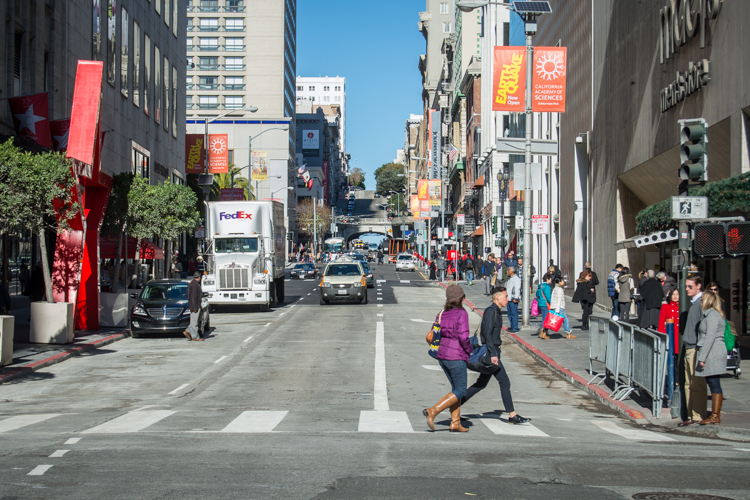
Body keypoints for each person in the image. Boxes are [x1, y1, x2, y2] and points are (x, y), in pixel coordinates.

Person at [460, 286, 531, 424]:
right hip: (490, 353)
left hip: (493, 351)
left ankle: (454, 407)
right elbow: (487, 334)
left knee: (480, 384)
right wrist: (493, 354)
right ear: (497, 297)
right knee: (504, 381)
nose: (507, 299)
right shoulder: (491, 311)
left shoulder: (496, 311)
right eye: (505, 296)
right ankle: (512, 415)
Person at [423, 285, 472, 432]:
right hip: (456, 356)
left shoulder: (442, 312)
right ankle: (433, 410)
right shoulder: (462, 314)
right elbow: (463, 337)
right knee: (461, 391)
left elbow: (434, 330)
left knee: (455, 389)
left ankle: (455, 422)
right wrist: (470, 351)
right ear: (461, 299)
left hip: (442, 355)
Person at [678, 274, 707, 427]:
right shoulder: (694, 303)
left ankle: (697, 414)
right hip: (689, 347)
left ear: (698, 286)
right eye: (686, 286)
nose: (687, 289)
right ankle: (691, 415)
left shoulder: (700, 304)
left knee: (696, 384)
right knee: (688, 384)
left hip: (695, 348)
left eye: (690, 286)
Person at [695, 290, 728, 425]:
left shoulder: (713, 315)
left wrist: (702, 357)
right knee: (713, 382)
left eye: (702, 300)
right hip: (712, 351)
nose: (701, 302)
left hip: (713, 352)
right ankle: (715, 414)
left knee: (714, 383)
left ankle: (715, 415)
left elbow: (710, 337)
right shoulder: (709, 315)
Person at [183, 272, 205, 342]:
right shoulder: (195, 285)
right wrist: (195, 307)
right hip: (195, 306)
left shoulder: (191, 283)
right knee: (195, 322)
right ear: (199, 277)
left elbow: (188, 295)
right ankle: (195, 336)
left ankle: (187, 331)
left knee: (193, 321)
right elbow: (193, 297)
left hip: (192, 305)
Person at [658, 289, 681, 355]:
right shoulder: (665, 307)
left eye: (677, 294)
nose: (675, 296)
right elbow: (661, 322)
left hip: (679, 336)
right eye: (673, 294)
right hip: (669, 334)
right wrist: (660, 336)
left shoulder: (681, 307)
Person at [536, 273, 553, 339]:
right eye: (550, 279)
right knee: (545, 319)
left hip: (540, 303)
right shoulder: (547, 287)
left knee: (544, 317)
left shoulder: (540, 286)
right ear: (547, 279)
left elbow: (537, 294)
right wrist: (552, 303)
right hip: (545, 304)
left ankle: (543, 331)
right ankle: (542, 332)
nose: (551, 280)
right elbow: (548, 297)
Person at [505, 267, 521, 333]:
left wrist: (515, 298)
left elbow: (517, 289)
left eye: (508, 270)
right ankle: (512, 326)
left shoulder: (516, 279)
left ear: (511, 271)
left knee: (514, 313)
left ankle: (515, 327)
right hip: (509, 299)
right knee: (509, 313)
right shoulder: (510, 279)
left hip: (513, 299)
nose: (507, 272)